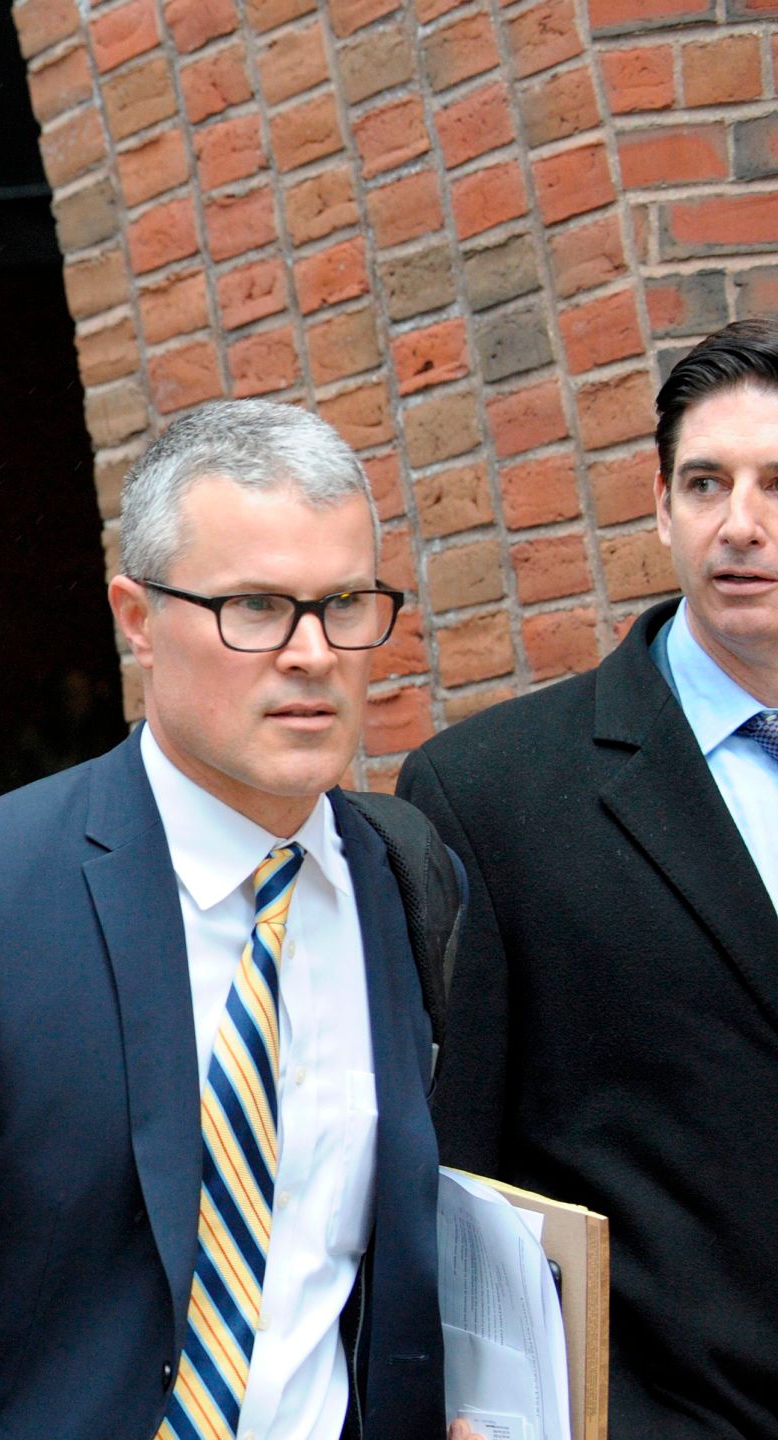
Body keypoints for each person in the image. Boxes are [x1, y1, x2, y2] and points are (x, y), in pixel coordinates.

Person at [0, 399, 445, 1438]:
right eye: (253, 607)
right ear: (137, 619)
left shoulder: (405, 884)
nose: (311, 653)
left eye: (343, 604)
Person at [398, 316, 778, 1439]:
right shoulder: (489, 792)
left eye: (773, 483)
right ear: (659, 509)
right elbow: (454, 1178)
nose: (740, 524)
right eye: (704, 485)